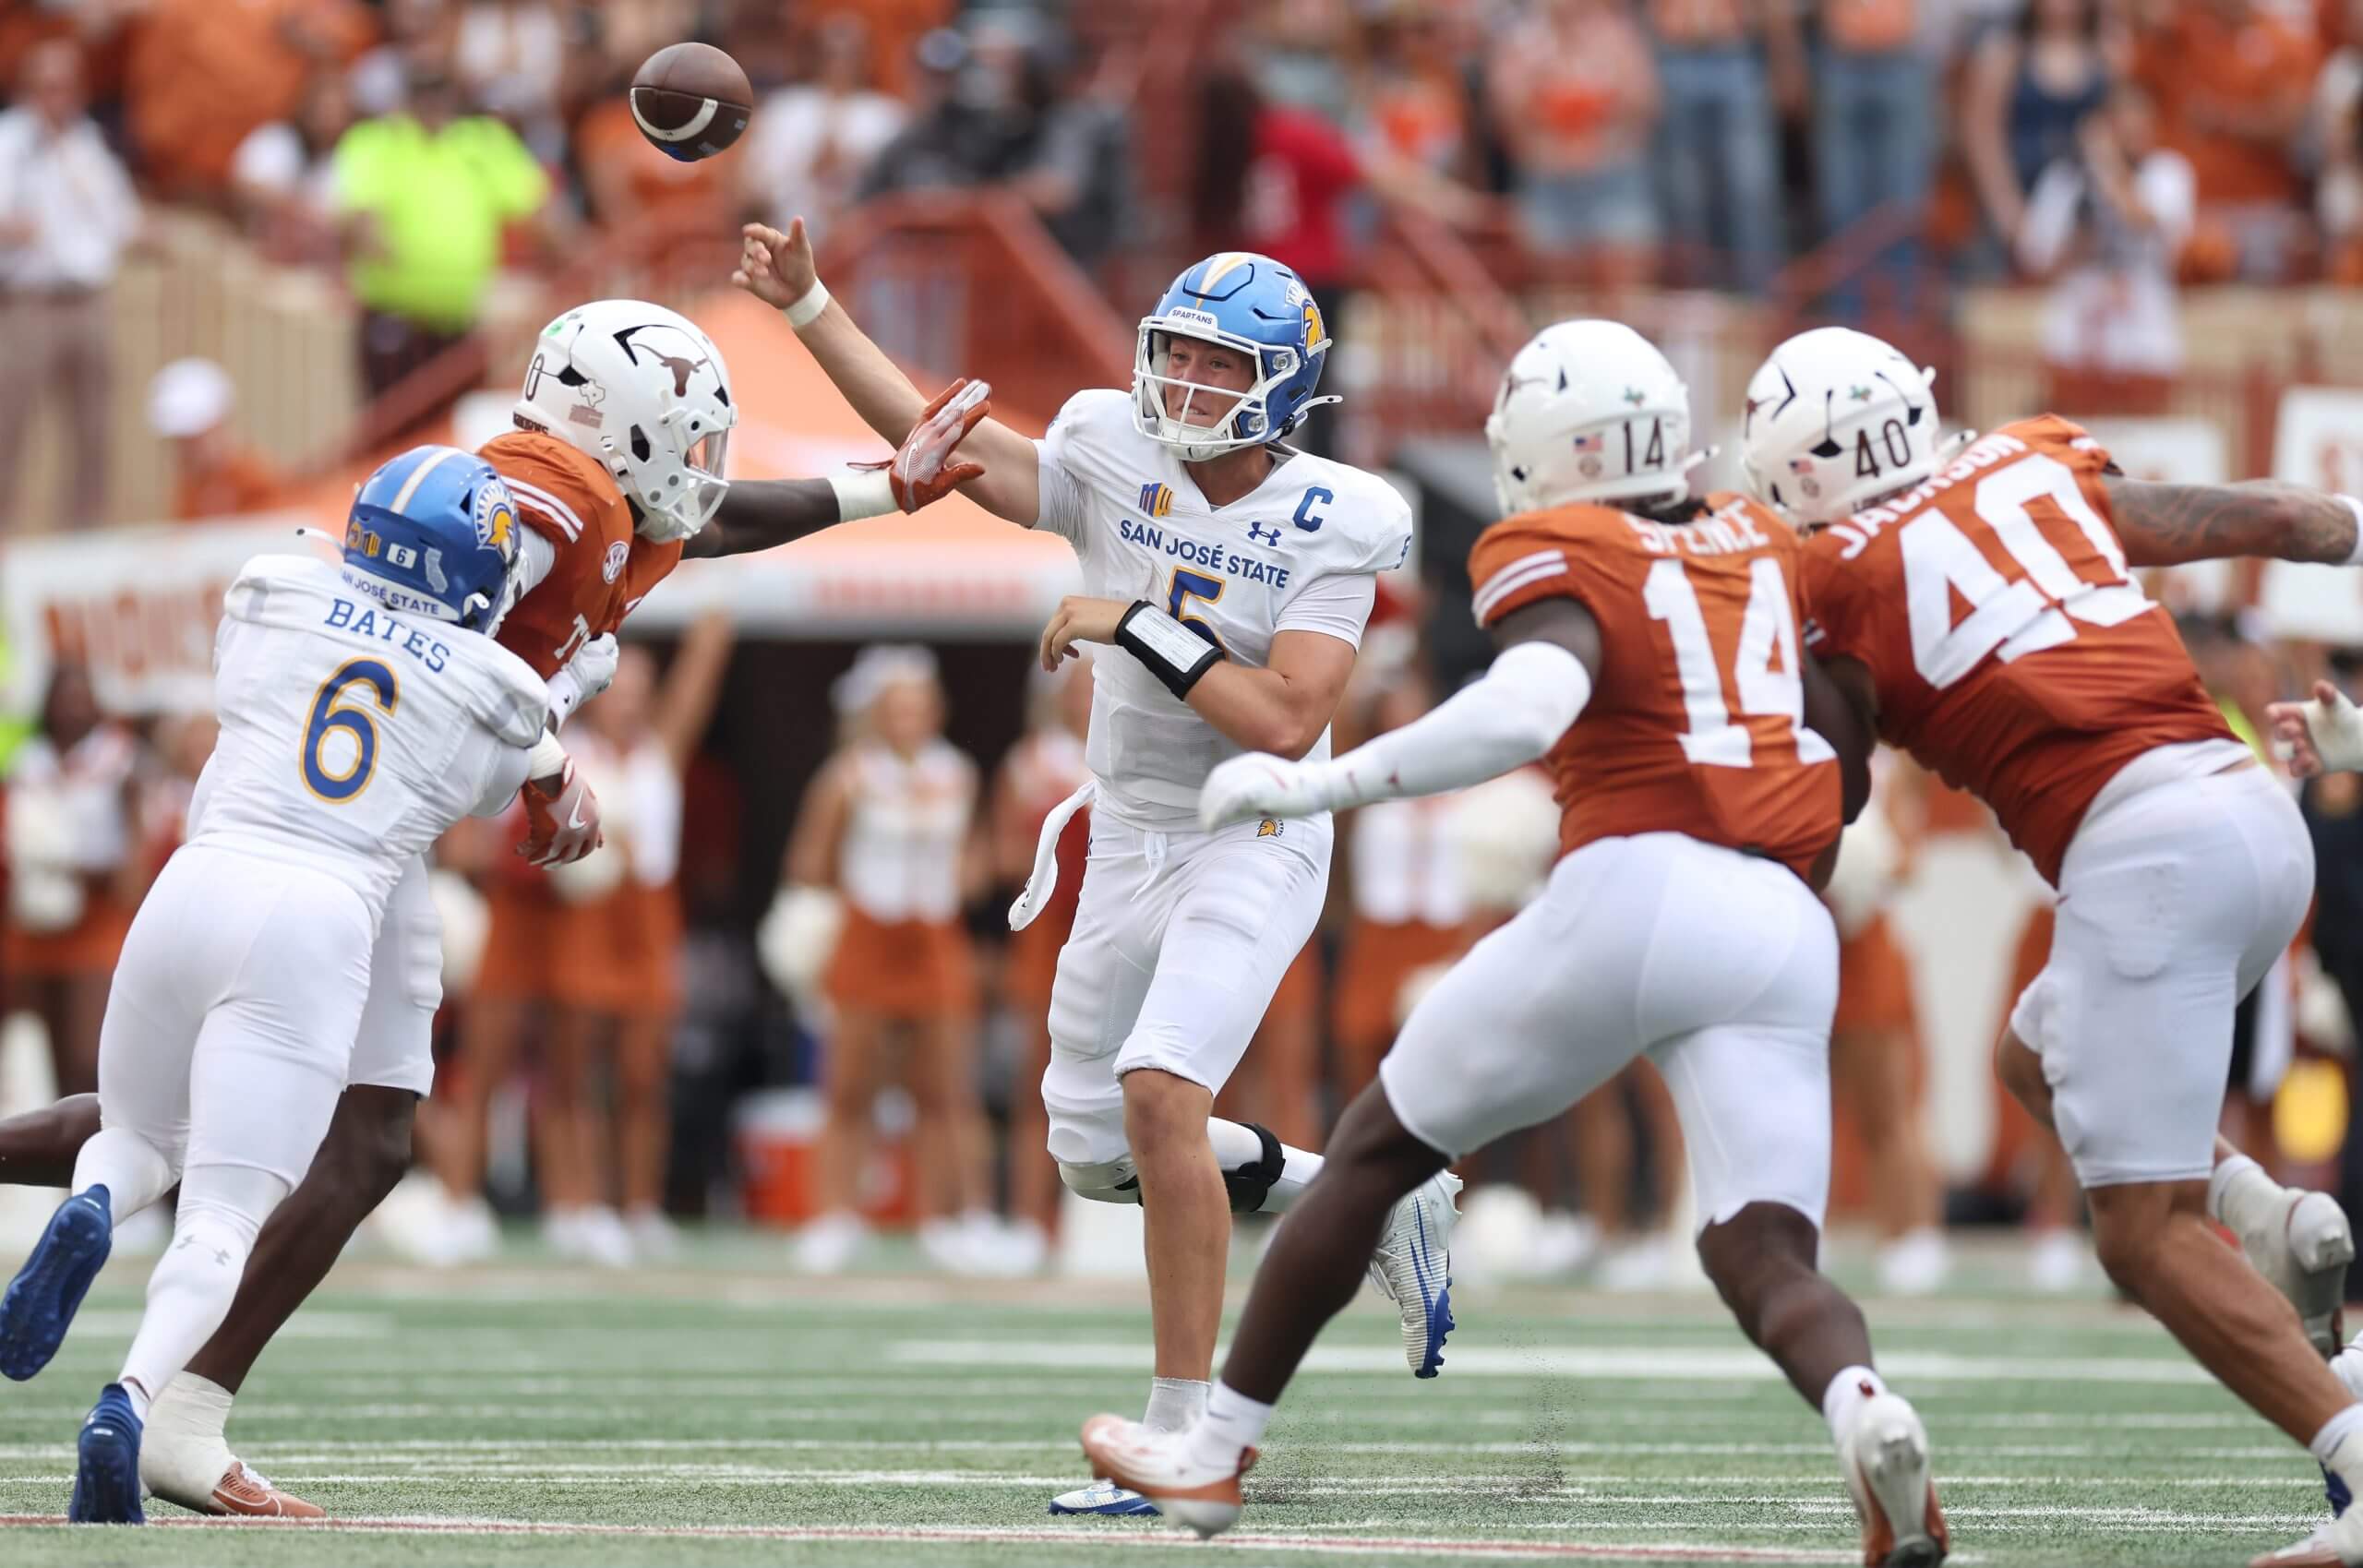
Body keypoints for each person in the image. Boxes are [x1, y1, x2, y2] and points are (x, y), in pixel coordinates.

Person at [0, 295, 995, 1516]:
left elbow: (701, 520)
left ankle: (188, 1409)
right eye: (682, 438)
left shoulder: (604, 501)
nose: (699, 469)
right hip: (360, 836)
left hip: (315, 825)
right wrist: (541, 769)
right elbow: (442, 616)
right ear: (618, 426)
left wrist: (877, 490)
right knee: (272, 1133)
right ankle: (173, 1401)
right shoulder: (543, 494)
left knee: (340, 1135)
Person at [1080, 319, 1952, 1568]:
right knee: (1764, 1244)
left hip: (1636, 879)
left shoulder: (1559, 541)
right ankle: (1864, 1402)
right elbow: (1841, 736)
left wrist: (1325, 785)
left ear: (1551, 449)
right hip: (1778, 918)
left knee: (1377, 1150)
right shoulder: (1759, 537)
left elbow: (1532, 703)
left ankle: (1214, 1444)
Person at [731, 221, 1461, 1517]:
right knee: (1092, 1149)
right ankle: (1366, 1189)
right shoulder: (1109, 445)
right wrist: (809, 307)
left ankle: (1190, 1434)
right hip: (1124, 828)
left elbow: (1291, 715)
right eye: (1172, 352)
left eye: (1216, 364)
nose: (1181, 383)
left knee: (1162, 1090)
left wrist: (1138, 620)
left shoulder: (1338, 513)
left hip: (1258, 824)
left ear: (1284, 384)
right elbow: (949, 446)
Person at [1740, 325, 2363, 1568]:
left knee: (2140, 1235)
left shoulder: (1829, 582)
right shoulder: (2033, 465)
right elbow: (2297, 517)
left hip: (2143, 856)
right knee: (2038, 1058)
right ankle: (2274, 1216)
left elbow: (1835, 792)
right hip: (2248, 807)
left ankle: (2354, 1450)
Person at [0, 445, 547, 1524]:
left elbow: (301, 606)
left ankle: (98, 1200)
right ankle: (129, 1400)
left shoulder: (275, 595)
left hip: (193, 882)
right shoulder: (497, 687)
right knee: (224, 1211)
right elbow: (507, 781)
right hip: (316, 914)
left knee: (137, 1133)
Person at [775, 645, 995, 1275]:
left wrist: (963, 873)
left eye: (919, 707)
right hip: (868, 934)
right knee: (849, 1086)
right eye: (897, 708)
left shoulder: (958, 772)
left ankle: (951, 1218)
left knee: (947, 1088)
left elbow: (976, 856)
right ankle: (835, 1215)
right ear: (876, 714)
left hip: (934, 938)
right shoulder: (850, 775)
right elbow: (808, 860)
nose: (909, 719)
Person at [0, 40, 141, 533]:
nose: (56, 98)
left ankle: (80, 548)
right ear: (27, 90)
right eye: (46, 87)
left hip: (89, 298)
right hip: (29, 302)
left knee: (93, 433)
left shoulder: (89, 143)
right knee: (9, 428)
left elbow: (123, 219)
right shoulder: (9, 142)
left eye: (65, 87)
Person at [4, 664, 142, 1099]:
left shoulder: (121, 760)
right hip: (37, 919)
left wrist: (104, 877)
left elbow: (134, 849)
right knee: (52, 1053)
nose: (72, 706)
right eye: (64, 696)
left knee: (89, 1053)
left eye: (82, 696)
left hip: (98, 917)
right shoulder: (29, 763)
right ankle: (65, 1159)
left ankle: (99, 1151)